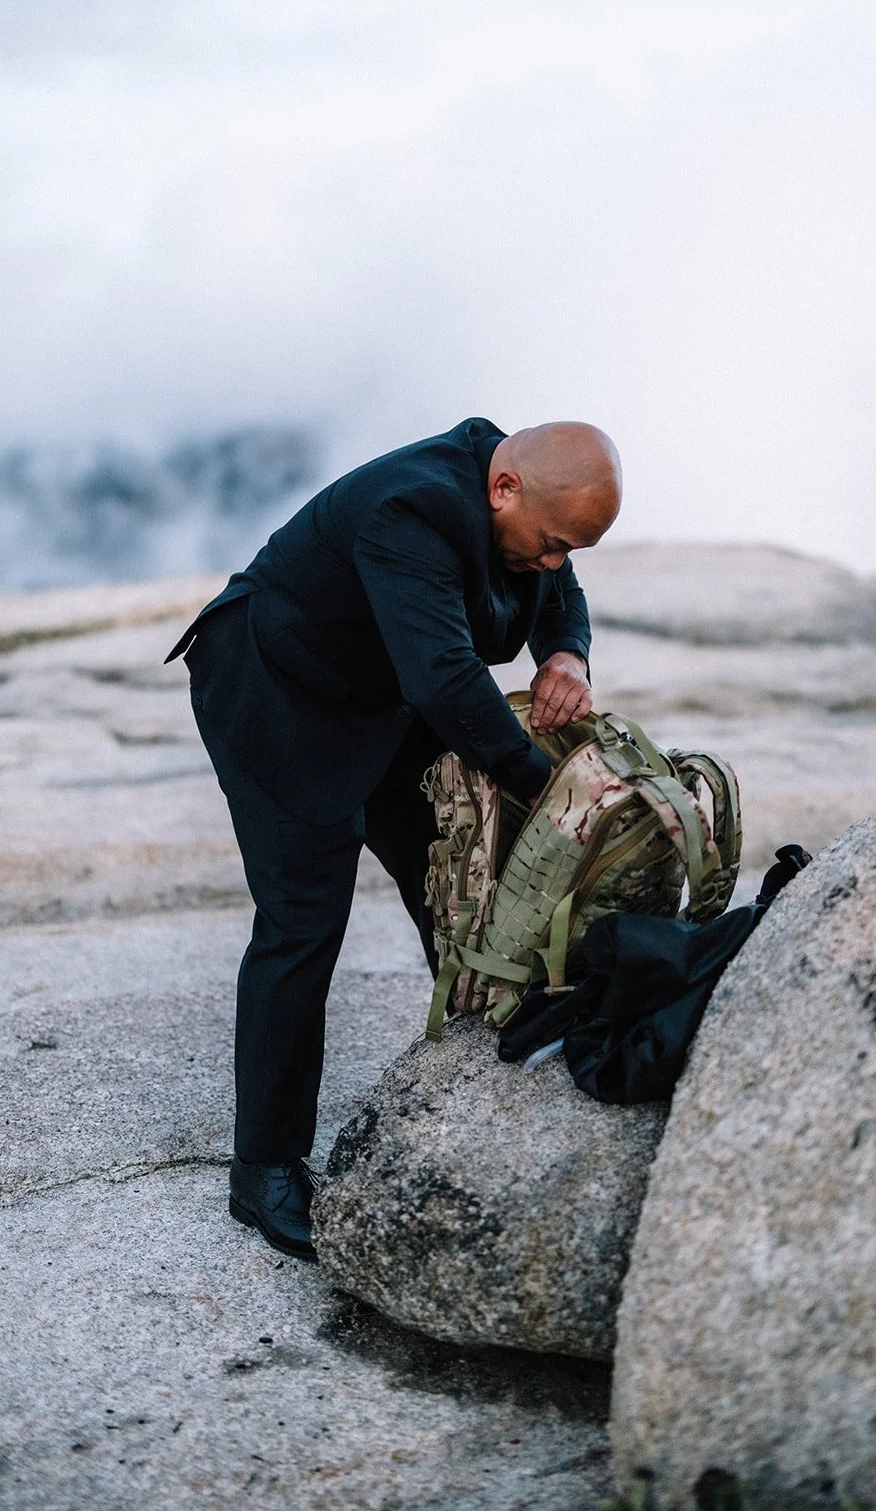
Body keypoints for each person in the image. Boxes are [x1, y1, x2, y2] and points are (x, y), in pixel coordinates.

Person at [166, 416, 622, 1257]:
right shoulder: (408, 510)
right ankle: (262, 1169)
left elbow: (560, 594)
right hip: (276, 691)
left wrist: (568, 657)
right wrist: (555, 792)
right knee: (302, 922)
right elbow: (446, 677)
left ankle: (480, 1044)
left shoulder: (520, 502)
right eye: (553, 543)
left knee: (446, 872)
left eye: (571, 550)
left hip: (379, 693)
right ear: (503, 487)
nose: (556, 562)